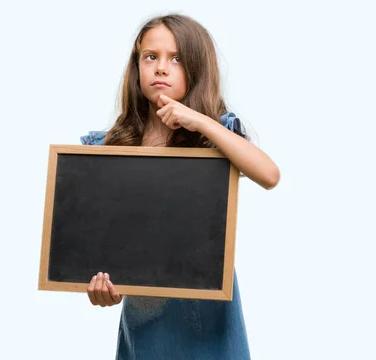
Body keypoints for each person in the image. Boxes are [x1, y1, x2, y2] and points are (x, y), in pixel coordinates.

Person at [80, 13, 280, 359]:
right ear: (137, 67)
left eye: (176, 58)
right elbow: (103, 240)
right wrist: (104, 285)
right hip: (147, 312)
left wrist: (201, 121)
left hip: (210, 307)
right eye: (150, 57)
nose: (161, 67)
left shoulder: (214, 136)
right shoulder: (115, 146)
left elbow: (269, 175)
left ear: (196, 69)